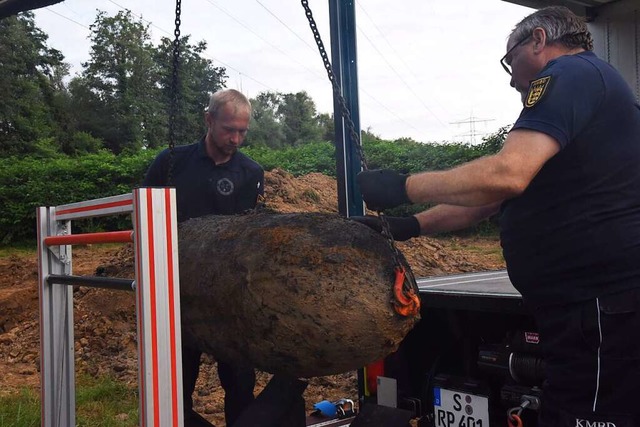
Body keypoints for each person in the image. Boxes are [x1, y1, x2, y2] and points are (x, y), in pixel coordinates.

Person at [355, 6, 640, 427]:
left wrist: (403, 186)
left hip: (597, 306)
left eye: (511, 61)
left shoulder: (571, 74)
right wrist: (409, 226)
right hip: (578, 308)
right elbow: (491, 198)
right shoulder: (585, 90)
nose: (511, 78)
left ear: (539, 40)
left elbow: (506, 174)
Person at [144, 88, 306, 427]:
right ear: (208, 120)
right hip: (180, 295)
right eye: (228, 129)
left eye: (242, 132)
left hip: (232, 301)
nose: (235, 138)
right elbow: (146, 221)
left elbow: (253, 235)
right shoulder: (170, 163)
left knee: (240, 383)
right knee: (176, 383)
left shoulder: (251, 173)